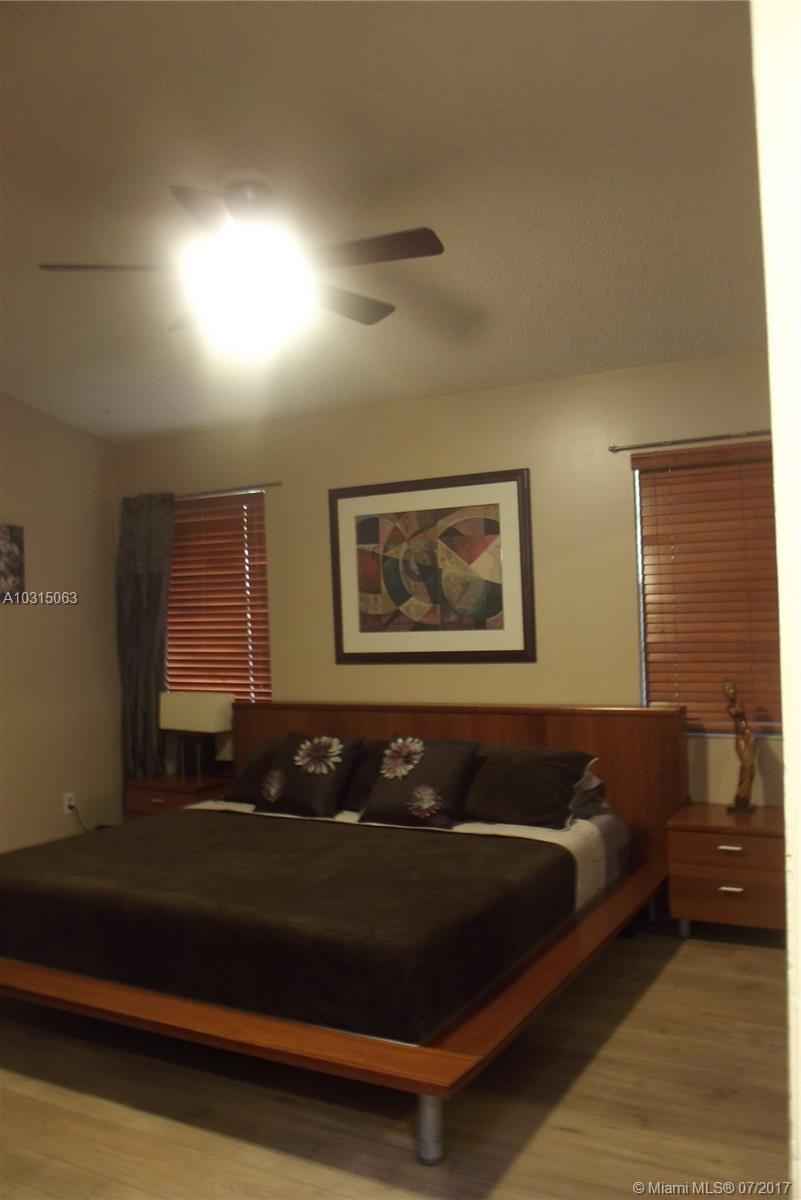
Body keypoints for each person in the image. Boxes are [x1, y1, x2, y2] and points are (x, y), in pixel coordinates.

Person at [722, 679, 757, 810]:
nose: (730, 691)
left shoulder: (740, 703)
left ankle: (744, 797)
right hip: (740, 737)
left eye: (731, 688)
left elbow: (740, 711)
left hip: (749, 736)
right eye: (727, 689)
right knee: (747, 766)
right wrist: (737, 709)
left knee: (749, 768)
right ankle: (740, 795)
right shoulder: (729, 707)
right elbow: (735, 712)